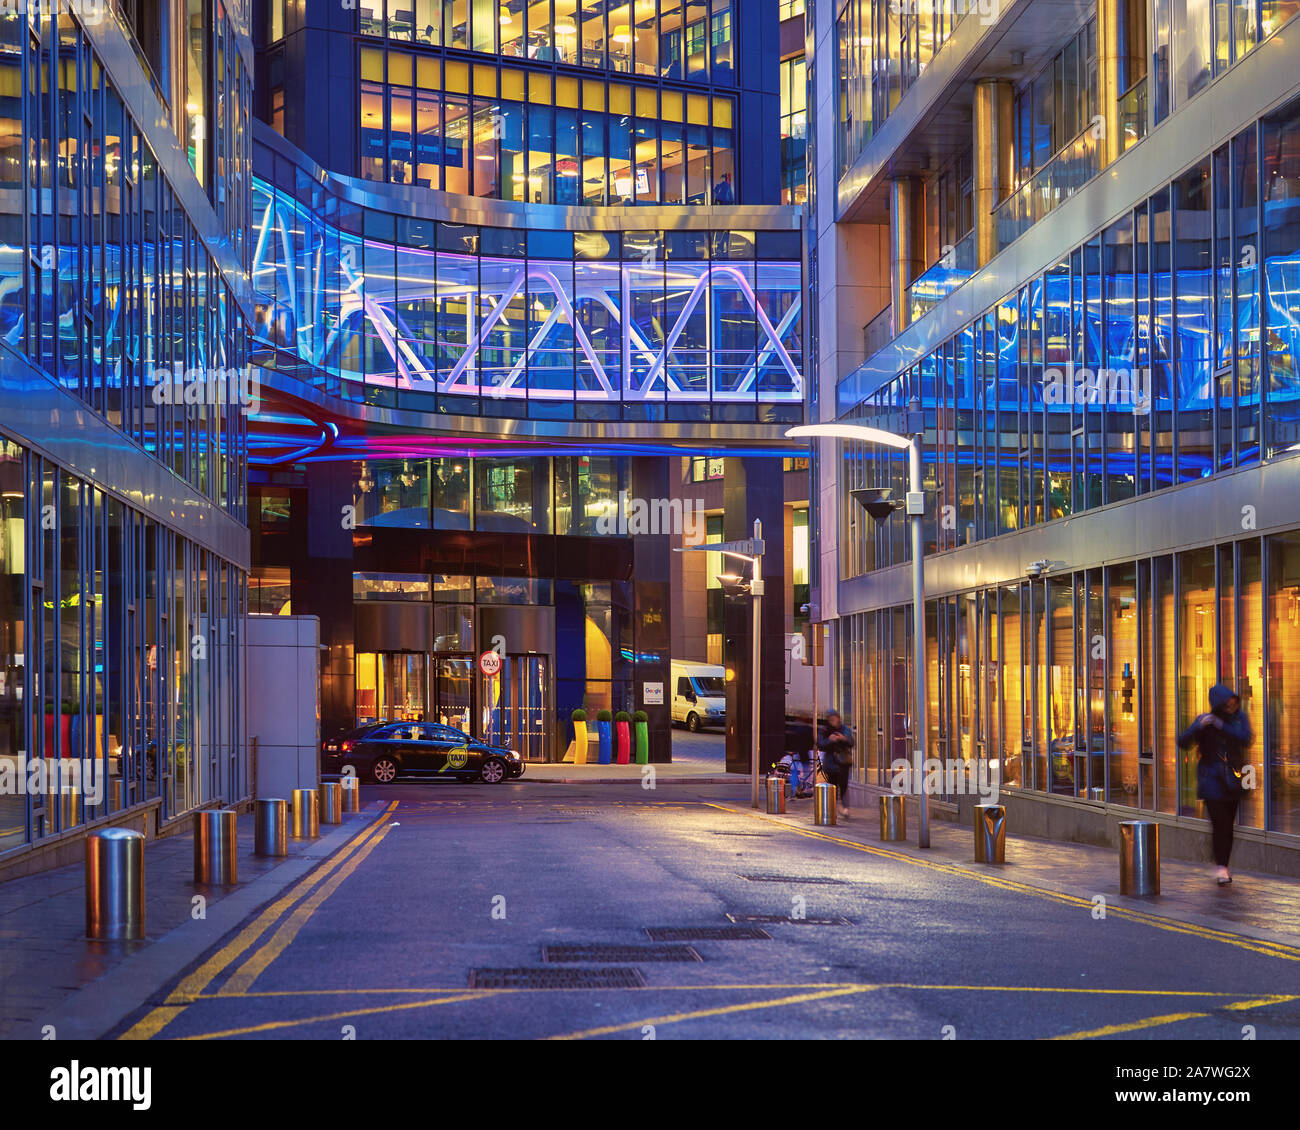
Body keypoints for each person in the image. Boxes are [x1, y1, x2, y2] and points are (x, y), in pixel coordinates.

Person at [1177, 684, 1252, 885]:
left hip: (1234, 780)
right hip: (1211, 781)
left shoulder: (1239, 718)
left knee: (1228, 826)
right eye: (1228, 703)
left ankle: (1223, 866)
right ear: (1218, 704)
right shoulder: (1205, 720)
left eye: (1234, 702)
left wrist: (1221, 725)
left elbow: (1246, 738)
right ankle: (1221, 868)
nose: (1232, 706)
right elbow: (1183, 741)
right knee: (1219, 824)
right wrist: (1199, 725)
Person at [818, 710, 855, 817]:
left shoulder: (844, 729)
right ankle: (831, 808)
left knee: (843, 786)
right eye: (830, 719)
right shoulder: (824, 730)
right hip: (830, 763)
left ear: (838, 718)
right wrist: (830, 740)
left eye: (834, 719)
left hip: (843, 762)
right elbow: (820, 744)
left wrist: (843, 738)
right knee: (832, 786)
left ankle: (845, 808)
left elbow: (851, 742)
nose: (833, 721)